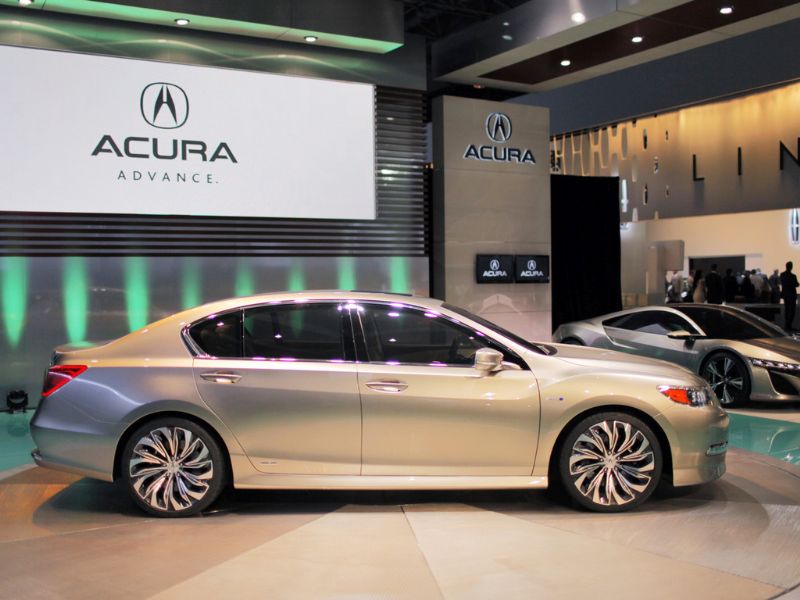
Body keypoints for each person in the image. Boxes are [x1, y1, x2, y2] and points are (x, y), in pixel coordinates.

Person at [780, 262, 799, 331]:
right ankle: (789, 325)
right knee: (792, 311)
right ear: (791, 267)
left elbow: (783, 283)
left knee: (787, 310)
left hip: (786, 294)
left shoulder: (782, 275)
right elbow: (797, 284)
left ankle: (787, 325)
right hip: (792, 295)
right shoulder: (793, 276)